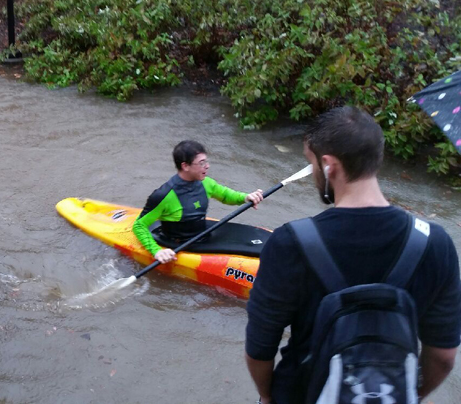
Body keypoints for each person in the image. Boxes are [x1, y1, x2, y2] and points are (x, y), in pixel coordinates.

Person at [245, 106, 461, 404]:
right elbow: (444, 356)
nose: (313, 176)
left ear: (329, 165)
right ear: (377, 157)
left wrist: (267, 397)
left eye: (312, 165)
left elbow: (259, 347)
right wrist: (412, 394)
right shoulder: (436, 243)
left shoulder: (289, 243)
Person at [132, 140, 264, 263]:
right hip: (178, 242)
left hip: (202, 234)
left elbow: (225, 195)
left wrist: (246, 197)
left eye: (206, 161)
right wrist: (157, 251)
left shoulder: (205, 183)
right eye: (201, 163)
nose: (207, 166)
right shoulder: (164, 195)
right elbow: (139, 226)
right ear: (185, 166)